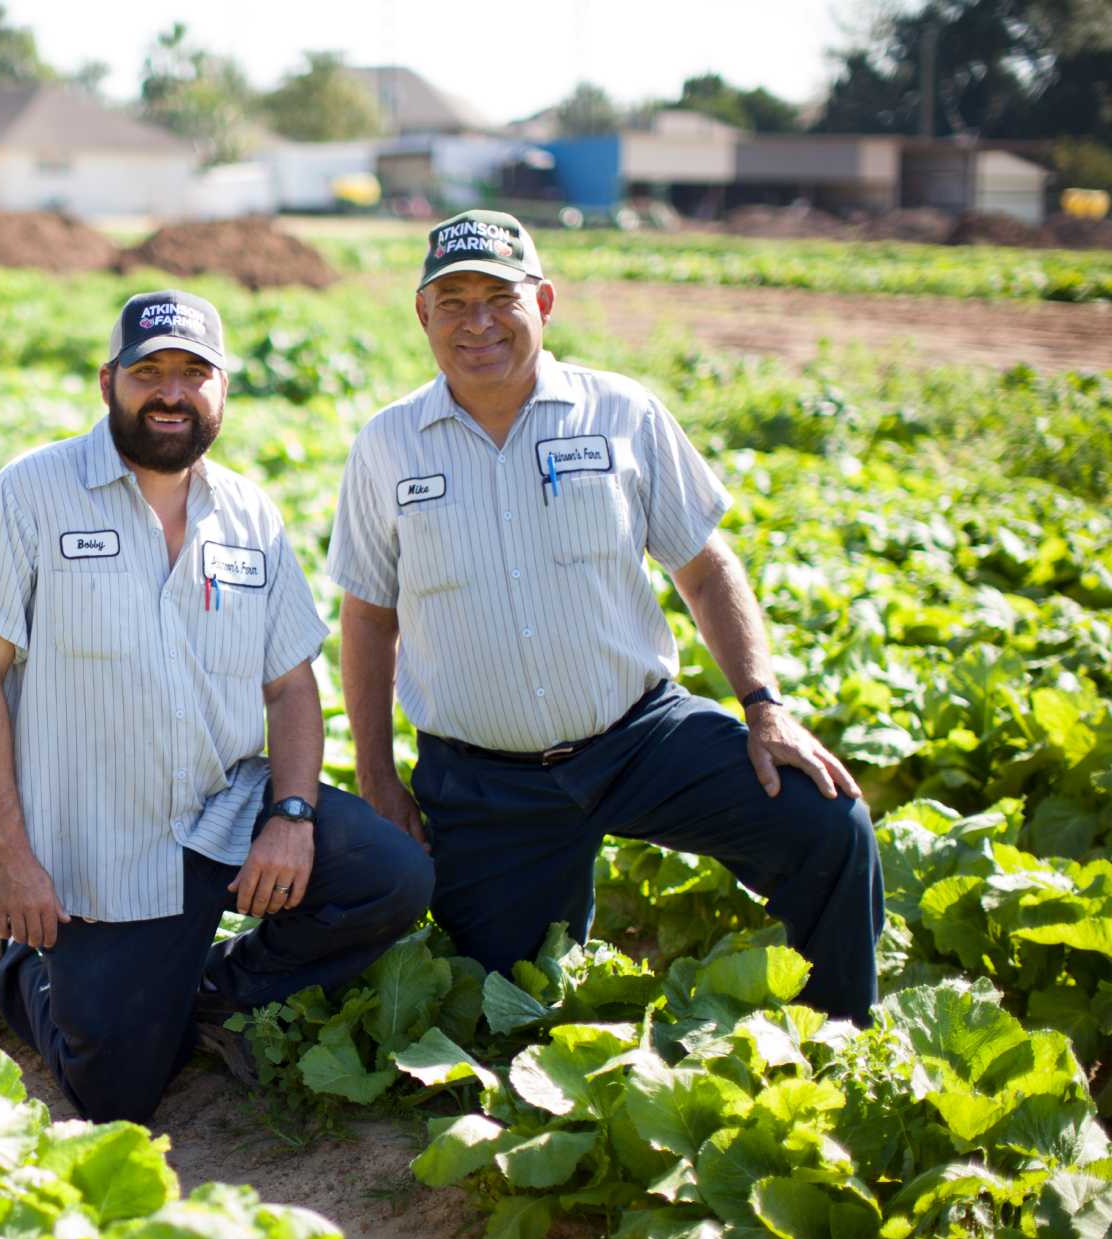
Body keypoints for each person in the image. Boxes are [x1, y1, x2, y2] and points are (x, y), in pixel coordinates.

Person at [328, 211, 881, 1021]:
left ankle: (841, 1033)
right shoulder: (388, 445)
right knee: (502, 1007)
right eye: (452, 302)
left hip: (640, 739)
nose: (476, 322)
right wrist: (377, 777)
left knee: (828, 823)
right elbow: (369, 619)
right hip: (484, 779)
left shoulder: (622, 413)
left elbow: (705, 567)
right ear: (423, 315)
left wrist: (764, 706)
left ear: (543, 301)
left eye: (499, 297)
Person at [0, 289, 437, 1125]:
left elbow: (289, 687)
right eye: (149, 371)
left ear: (222, 391)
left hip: (228, 807)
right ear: (109, 382)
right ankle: (10, 969)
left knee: (393, 877)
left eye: (193, 372)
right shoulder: (30, 494)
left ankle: (210, 997)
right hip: (101, 842)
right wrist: (12, 855)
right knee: (116, 1094)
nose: (171, 391)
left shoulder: (250, 515)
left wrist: (290, 814)